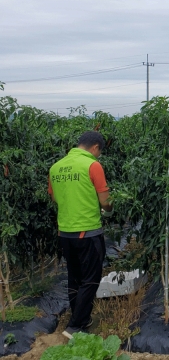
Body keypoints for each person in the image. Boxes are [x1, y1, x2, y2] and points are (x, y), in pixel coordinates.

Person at [48, 131, 113, 338]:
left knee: (74, 278)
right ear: (95, 147)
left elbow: (55, 197)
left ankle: (81, 320)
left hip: (65, 232)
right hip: (88, 231)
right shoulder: (92, 165)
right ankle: (75, 326)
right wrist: (109, 209)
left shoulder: (56, 167)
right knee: (91, 280)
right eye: (99, 152)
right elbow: (105, 201)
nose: (98, 156)